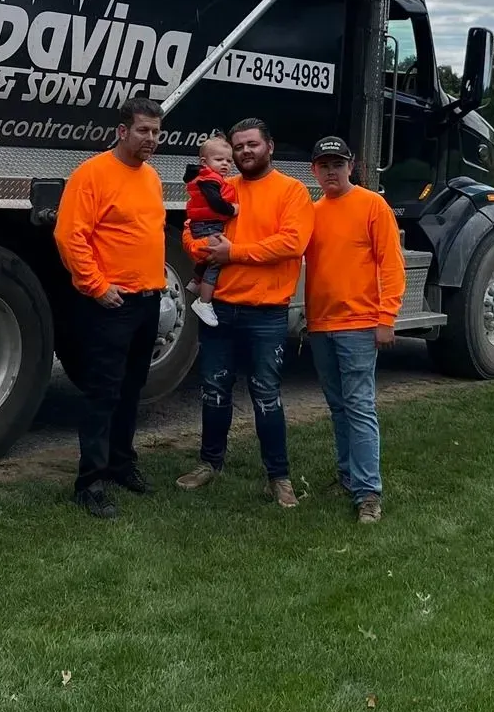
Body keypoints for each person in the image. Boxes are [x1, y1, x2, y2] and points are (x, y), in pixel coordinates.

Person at [176, 116, 313, 508]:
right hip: (219, 309)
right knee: (214, 389)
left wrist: (233, 253)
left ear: (269, 146)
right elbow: (191, 227)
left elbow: (291, 242)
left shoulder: (292, 191)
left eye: (252, 144)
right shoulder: (223, 188)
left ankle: (278, 476)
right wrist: (199, 249)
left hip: (266, 313)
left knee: (266, 394)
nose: (244, 152)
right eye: (238, 147)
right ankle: (209, 463)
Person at [53, 92, 167, 519]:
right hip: (111, 304)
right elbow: (70, 236)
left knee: (131, 390)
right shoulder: (93, 174)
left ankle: (122, 464)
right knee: (103, 392)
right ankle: (91, 483)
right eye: (143, 131)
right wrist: (97, 286)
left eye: (156, 132)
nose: (150, 139)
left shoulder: (151, 177)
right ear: (122, 131)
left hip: (147, 300)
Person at [303, 135, 406, 525]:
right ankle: (348, 476)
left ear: (352, 166)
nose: (331, 171)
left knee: (360, 408)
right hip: (320, 325)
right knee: (339, 407)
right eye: (324, 165)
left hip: (360, 326)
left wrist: (386, 319)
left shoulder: (371, 205)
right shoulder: (313, 212)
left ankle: (368, 494)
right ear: (314, 170)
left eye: (338, 164)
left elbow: (391, 265)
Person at [182, 133, 239, 326]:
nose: (225, 164)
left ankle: (196, 281)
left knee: (207, 257)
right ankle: (204, 302)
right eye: (219, 159)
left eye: (229, 161)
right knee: (215, 261)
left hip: (203, 223)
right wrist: (232, 209)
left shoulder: (204, 176)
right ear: (204, 162)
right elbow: (215, 203)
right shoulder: (209, 179)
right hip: (208, 225)